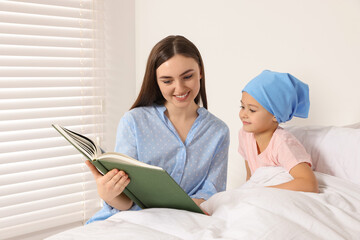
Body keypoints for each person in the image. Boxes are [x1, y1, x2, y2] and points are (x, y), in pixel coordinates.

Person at [86, 35, 230, 223]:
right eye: (167, 81)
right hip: (128, 221)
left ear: (200, 72)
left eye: (187, 76)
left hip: (186, 223)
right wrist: (108, 193)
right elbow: (125, 202)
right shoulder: (134, 122)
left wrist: (177, 212)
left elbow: (211, 194)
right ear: (156, 80)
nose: (179, 88)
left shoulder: (218, 131)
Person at [238, 70, 318, 192]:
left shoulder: (283, 143)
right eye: (242, 107)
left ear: (275, 115)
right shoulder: (245, 135)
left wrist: (261, 191)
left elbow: (309, 184)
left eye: (252, 110)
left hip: (277, 197)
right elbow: (251, 179)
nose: (244, 114)